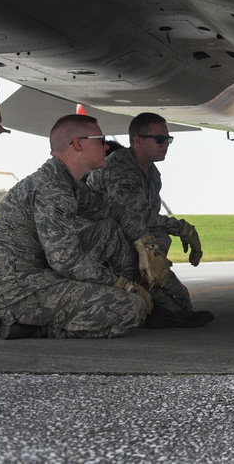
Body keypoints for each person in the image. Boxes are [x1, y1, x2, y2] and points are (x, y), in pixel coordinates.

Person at [0, 114, 154, 339]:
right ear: (78, 143)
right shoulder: (53, 189)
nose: (106, 146)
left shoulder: (65, 183)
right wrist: (122, 285)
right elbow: (65, 261)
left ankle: (150, 300)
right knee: (129, 308)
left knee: (109, 230)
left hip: (36, 277)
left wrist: (145, 242)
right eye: (100, 139)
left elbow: (113, 209)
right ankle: (32, 327)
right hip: (14, 292)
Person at [86, 112, 212, 328]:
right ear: (137, 140)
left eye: (168, 139)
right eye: (160, 139)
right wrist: (181, 227)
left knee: (181, 302)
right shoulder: (120, 167)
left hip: (127, 241)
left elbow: (149, 221)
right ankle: (149, 303)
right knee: (175, 306)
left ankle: (154, 304)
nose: (166, 144)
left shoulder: (152, 174)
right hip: (102, 246)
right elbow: (136, 216)